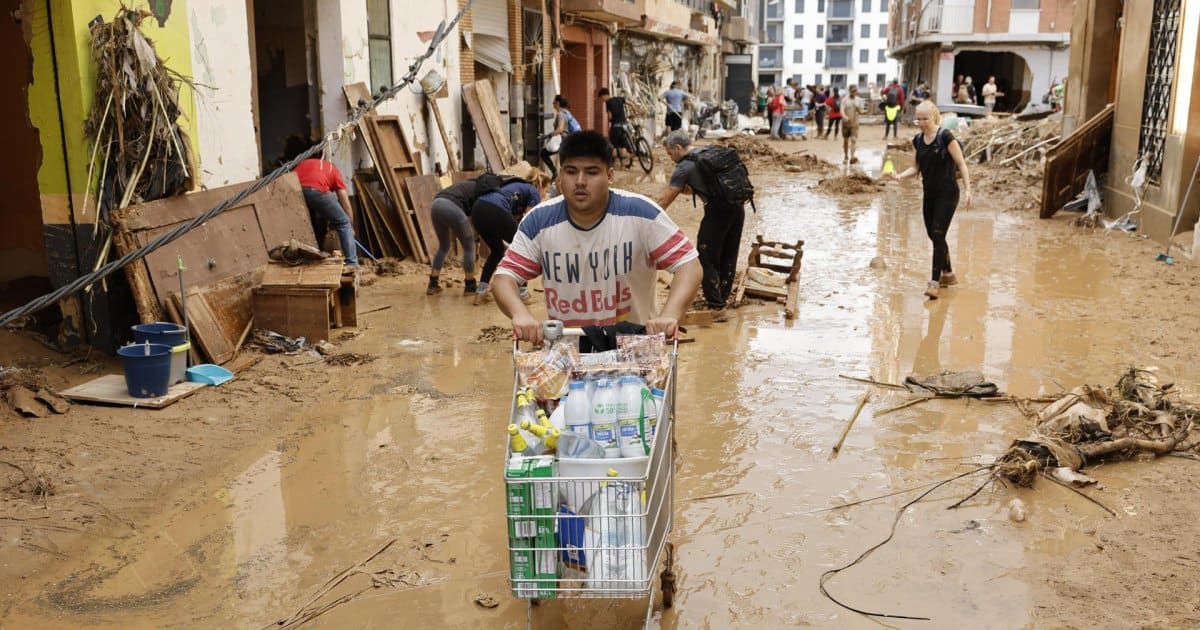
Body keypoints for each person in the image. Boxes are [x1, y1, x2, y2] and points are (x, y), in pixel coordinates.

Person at [492, 131, 702, 342]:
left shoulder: (641, 214)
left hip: (636, 352)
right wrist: (520, 314)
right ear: (560, 177)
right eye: (571, 171)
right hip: (568, 356)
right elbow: (504, 277)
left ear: (610, 176)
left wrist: (670, 315)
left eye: (592, 172)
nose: (580, 181)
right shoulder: (538, 221)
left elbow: (688, 265)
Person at [889, 101, 973, 300]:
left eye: (926, 119)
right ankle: (948, 274)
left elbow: (961, 163)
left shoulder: (945, 136)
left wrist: (968, 190)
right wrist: (900, 176)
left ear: (934, 117)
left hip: (948, 192)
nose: (922, 123)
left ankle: (934, 283)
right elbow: (916, 168)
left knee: (937, 232)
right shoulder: (918, 140)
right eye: (919, 119)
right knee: (934, 234)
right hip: (930, 193)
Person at [658, 131, 746, 310]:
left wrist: (645, 218)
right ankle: (723, 296)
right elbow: (705, 186)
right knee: (729, 252)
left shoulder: (684, 166)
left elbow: (664, 201)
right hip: (737, 206)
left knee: (705, 256)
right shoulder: (708, 153)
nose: (670, 158)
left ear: (678, 148)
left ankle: (715, 304)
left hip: (717, 212)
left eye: (670, 153)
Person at [285, 136, 359, 267]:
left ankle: (298, 258)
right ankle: (352, 263)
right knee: (343, 222)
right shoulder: (333, 170)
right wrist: (350, 226)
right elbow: (346, 204)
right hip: (315, 190)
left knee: (307, 222)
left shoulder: (303, 163)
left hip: (292, 191)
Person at [471, 178, 542, 304]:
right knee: (522, 249)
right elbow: (529, 218)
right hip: (496, 209)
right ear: (540, 185)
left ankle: (480, 292)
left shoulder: (511, 187)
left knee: (497, 251)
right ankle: (523, 294)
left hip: (477, 209)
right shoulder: (533, 190)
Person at [427, 178, 479, 295]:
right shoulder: (481, 190)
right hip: (451, 206)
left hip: (436, 205)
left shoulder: (465, 185)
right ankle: (470, 285)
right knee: (469, 246)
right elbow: (475, 215)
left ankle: (433, 284)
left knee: (444, 246)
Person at [541, 95, 581, 179]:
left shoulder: (561, 114)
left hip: (564, 141)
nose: (552, 104)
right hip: (570, 141)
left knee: (544, 153)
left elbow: (560, 129)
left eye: (554, 102)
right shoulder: (567, 112)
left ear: (558, 103)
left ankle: (556, 174)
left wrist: (548, 135)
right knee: (566, 162)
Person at [599, 88, 631, 164]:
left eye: (601, 98)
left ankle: (613, 164)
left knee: (613, 146)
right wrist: (634, 109)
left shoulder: (608, 102)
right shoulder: (619, 98)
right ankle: (624, 163)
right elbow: (630, 103)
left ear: (605, 95)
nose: (602, 100)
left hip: (615, 127)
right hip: (624, 126)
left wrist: (609, 120)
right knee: (623, 146)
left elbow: (610, 117)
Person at [840, 85, 865, 164]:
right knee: (846, 141)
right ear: (849, 91)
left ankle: (852, 156)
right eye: (852, 91)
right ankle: (846, 155)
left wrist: (859, 110)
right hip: (845, 124)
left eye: (855, 91)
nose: (854, 92)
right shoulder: (844, 100)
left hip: (855, 123)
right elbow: (841, 110)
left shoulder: (859, 100)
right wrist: (844, 117)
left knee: (853, 140)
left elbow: (862, 112)